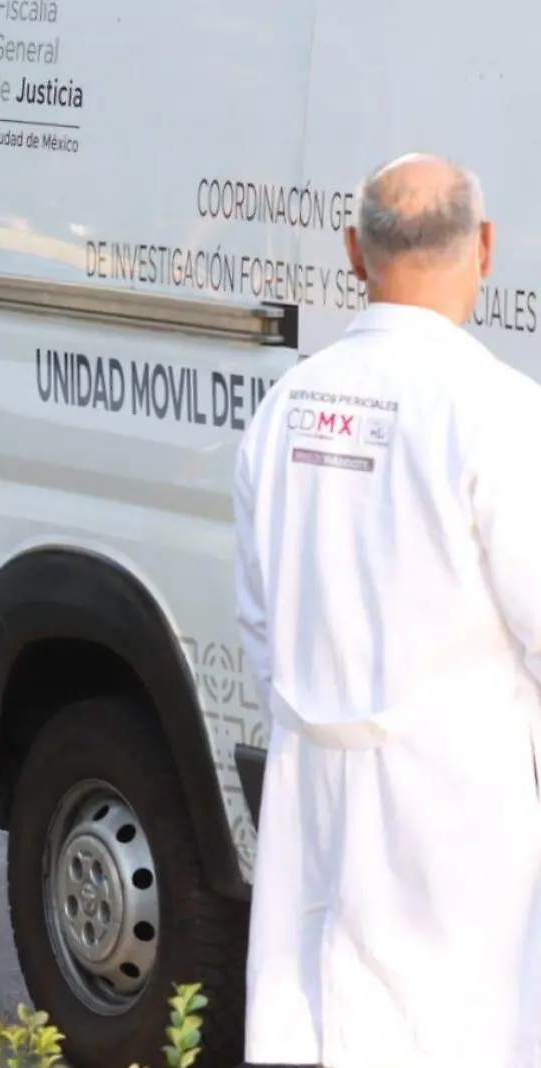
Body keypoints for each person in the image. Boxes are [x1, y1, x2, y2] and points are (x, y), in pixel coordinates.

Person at [235, 154, 541, 1067]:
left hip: (312, 795)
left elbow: (259, 625)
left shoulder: (287, 405)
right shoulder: (498, 412)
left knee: (322, 1026)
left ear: (352, 253)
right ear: (485, 248)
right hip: (458, 815)